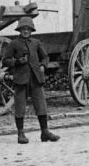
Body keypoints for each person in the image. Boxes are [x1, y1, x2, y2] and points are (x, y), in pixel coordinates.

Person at [5, 17, 59, 145]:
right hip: (21, 78)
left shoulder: (36, 42)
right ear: (19, 30)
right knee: (20, 106)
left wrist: (43, 66)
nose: (25, 31)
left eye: (28, 29)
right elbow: (6, 60)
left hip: (35, 78)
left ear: (31, 30)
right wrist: (17, 62)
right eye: (23, 29)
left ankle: (45, 132)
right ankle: (21, 134)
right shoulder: (14, 44)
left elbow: (45, 56)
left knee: (41, 104)